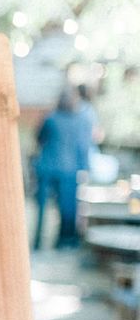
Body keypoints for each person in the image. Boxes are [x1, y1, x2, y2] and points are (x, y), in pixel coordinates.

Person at [33, 88, 93, 250]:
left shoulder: (50, 118)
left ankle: (37, 241)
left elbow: (39, 139)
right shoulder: (81, 121)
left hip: (47, 167)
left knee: (42, 207)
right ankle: (63, 241)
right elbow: (83, 146)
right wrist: (85, 168)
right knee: (67, 207)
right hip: (69, 169)